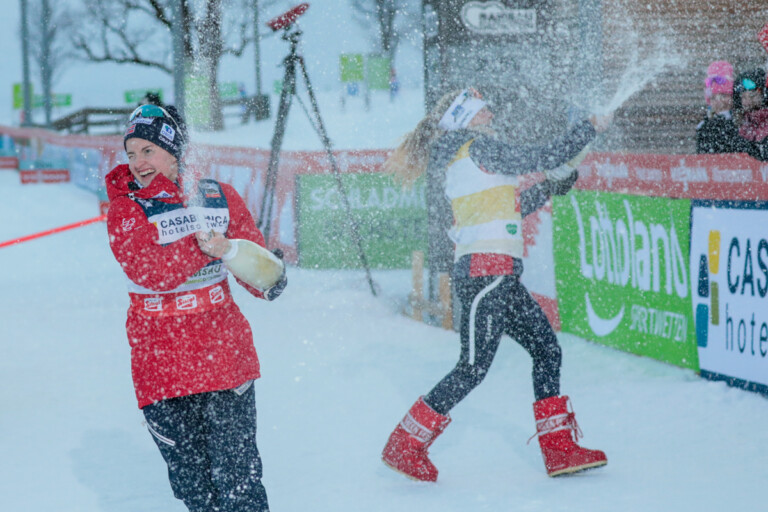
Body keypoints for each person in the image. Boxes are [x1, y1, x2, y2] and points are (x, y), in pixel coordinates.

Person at [380, 87, 612, 480]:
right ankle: (405, 444)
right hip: (483, 274)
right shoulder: (475, 148)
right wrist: (586, 129)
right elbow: (540, 157)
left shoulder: (474, 155)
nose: (490, 112)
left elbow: (513, 207)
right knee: (472, 369)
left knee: (547, 350)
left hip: (500, 274)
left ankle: (558, 450)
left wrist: (551, 188)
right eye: (482, 108)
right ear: (466, 117)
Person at [105, 103, 286, 511]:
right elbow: (150, 270)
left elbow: (264, 284)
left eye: (147, 151)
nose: (137, 163)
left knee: (240, 487)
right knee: (196, 492)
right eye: (130, 153)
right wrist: (204, 249)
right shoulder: (125, 208)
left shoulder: (218, 197)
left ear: (173, 150)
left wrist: (242, 255)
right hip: (162, 372)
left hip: (224, 361)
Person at [696, 61, 744, 154]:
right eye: (714, 98)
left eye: (724, 95)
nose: (719, 101)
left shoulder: (741, 122)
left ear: (733, 98)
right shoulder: (704, 125)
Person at [734, 68, 768, 161]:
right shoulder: (742, 124)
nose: (747, 101)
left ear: (763, 95)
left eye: (752, 96)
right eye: (744, 97)